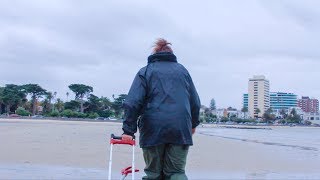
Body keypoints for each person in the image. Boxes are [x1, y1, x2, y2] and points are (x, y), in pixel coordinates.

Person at [121, 38, 201, 180]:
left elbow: (132, 102)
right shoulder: (183, 72)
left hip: (152, 128)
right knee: (176, 172)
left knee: (153, 174)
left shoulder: (145, 71)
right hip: (180, 128)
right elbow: (195, 101)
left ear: (155, 54)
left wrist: (128, 130)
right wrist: (193, 124)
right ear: (171, 54)